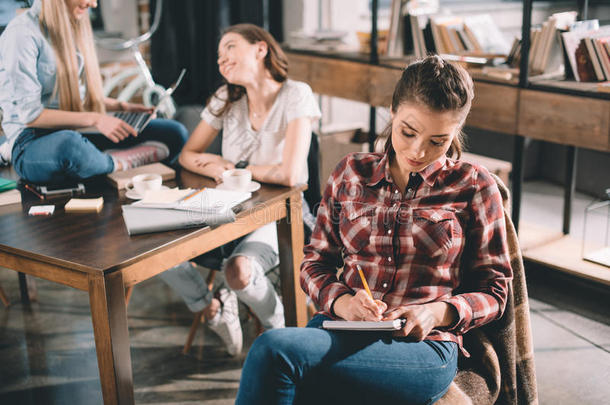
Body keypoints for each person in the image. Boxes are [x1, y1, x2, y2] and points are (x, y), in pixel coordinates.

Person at [235, 55, 513, 405]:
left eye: (438, 141)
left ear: (456, 131)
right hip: (342, 328)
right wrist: (343, 302)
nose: (418, 150)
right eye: (408, 132)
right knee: (280, 361)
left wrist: (436, 312)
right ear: (393, 111)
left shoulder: (474, 185)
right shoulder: (350, 173)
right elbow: (314, 263)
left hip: (424, 348)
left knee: (274, 352)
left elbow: (496, 290)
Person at [158, 23, 321, 357]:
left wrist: (238, 169)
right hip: (227, 208)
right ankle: (212, 309)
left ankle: (287, 341)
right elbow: (188, 154)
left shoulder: (295, 94)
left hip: (280, 217)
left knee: (239, 271)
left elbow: (290, 175)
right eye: (218, 55)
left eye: (230, 47)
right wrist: (217, 166)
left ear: (260, 49)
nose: (222, 60)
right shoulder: (225, 99)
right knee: (155, 246)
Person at [0, 0, 188, 182]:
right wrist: (97, 119)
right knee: (69, 146)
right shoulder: (22, 34)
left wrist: (122, 106)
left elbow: (78, 97)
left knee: (174, 133)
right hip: (30, 140)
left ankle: (95, 162)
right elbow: (31, 115)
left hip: (75, 129)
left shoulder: (73, 25)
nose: (94, 4)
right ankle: (115, 163)